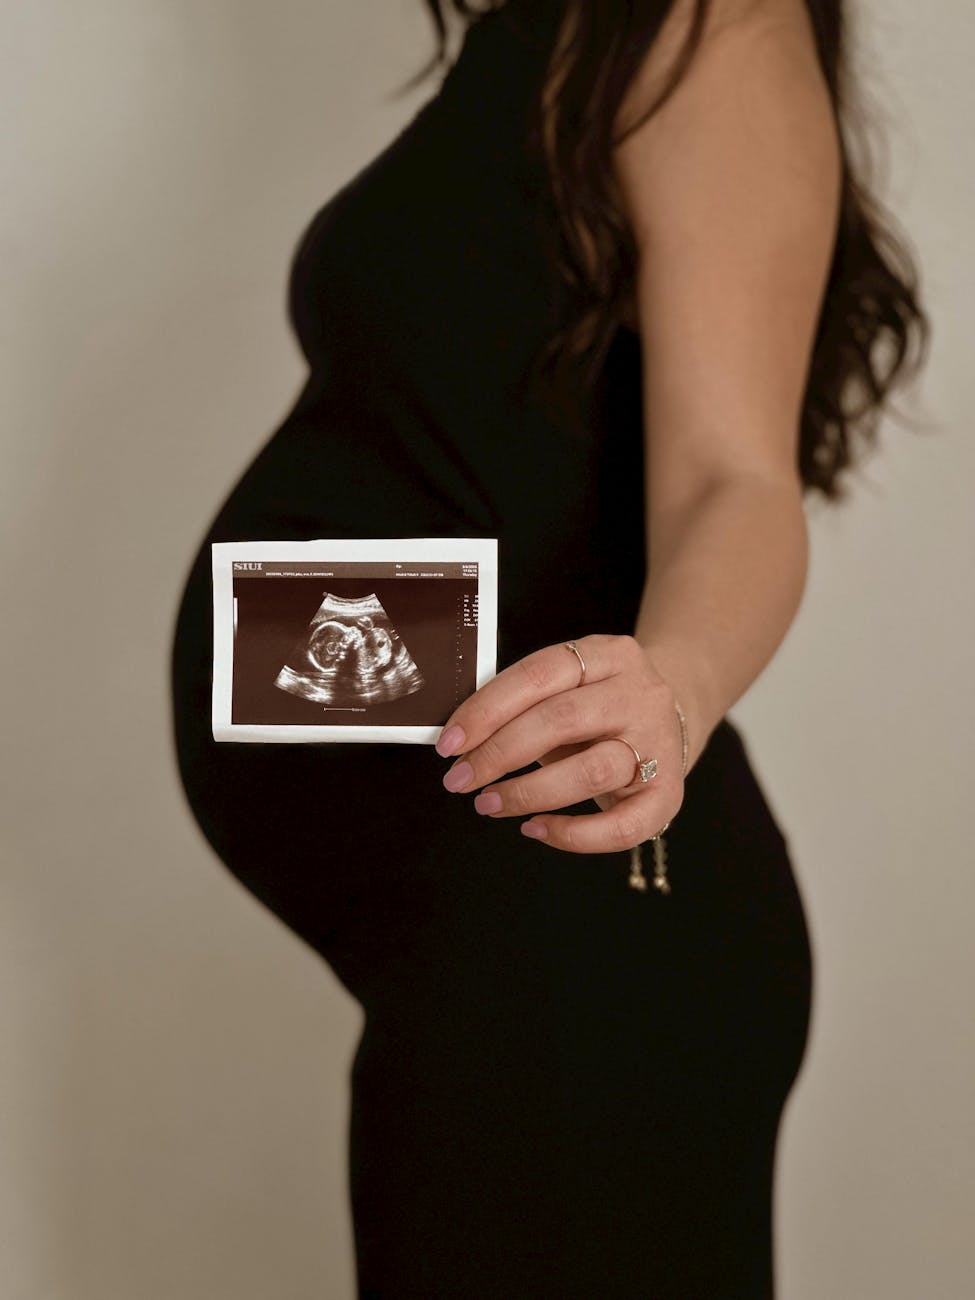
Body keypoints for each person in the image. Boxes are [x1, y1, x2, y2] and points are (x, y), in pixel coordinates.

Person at [168, 0, 928, 1294]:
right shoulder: (554, 37)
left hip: (584, 944)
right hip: (487, 948)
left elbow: (737, 480)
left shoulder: (712, 25)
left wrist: (675, 688)